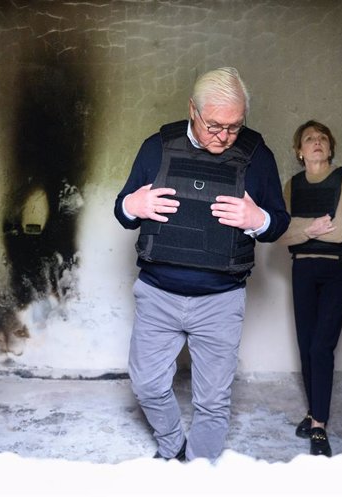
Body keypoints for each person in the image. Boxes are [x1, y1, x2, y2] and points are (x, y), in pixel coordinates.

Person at [113, 67, 290, 462]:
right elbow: (122, 210)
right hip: (158, 293)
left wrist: (257, 219)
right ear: (193, 110)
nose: (224, 137)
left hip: (221, 299)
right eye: (214, 126)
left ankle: (198, 470)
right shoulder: (156, 147)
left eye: (234, 127)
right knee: (147, 385)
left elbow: (279, 222)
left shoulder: (257, 156)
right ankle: (173, 445)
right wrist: (133, 205)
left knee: (212, 401)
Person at [278, 120, 342, 457]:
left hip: (340, 268)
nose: (317, 142)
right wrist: (312, 228)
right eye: (309, 139)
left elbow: (340, 232)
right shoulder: (292, 185)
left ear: (330, 148)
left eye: (323, 138)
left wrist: (301, 229)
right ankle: (315, 413)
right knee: (305, 345)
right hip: (304, 268)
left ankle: (318, 427)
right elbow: (281, 235)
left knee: (321, 347)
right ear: (300, 151)